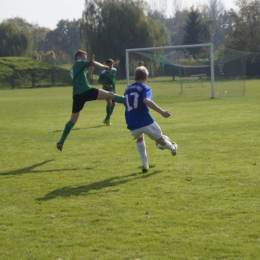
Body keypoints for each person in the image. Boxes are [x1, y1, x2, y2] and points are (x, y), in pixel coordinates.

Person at [56, 50, 124, 151]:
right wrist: (104, 66)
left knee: (72, 120)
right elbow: (92, 63)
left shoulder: (74, 68)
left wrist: (91, 65)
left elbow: (88, 76)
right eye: (84, 57)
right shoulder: (79, 63)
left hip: (77, 95)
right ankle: (129, 100)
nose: (85, 59)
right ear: (78, 56)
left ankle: (61, 140)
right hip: (86, 91)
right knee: (111, 95)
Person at [123, 66, 178, 173]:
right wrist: (162, 112)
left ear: (135, 77)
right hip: (145, 121)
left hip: (132, 123)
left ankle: (145, 164)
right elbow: (146, 100)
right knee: (161, 140)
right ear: (146, 77)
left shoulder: (127, 89)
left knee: (140, 137)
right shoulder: (145, 88)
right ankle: (172, 148)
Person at [98, 59, 117, 126]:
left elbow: (113, 78)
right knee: (109, 102)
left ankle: (106, 118)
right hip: (106, 89)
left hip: (113, 89)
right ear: (106, 65)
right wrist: (106, 85)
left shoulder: (114, 70)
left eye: (111, 64)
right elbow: (99, 81)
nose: (110, 66)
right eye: (109, 64)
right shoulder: (103, 72)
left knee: (113, 105)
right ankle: (108, 119)